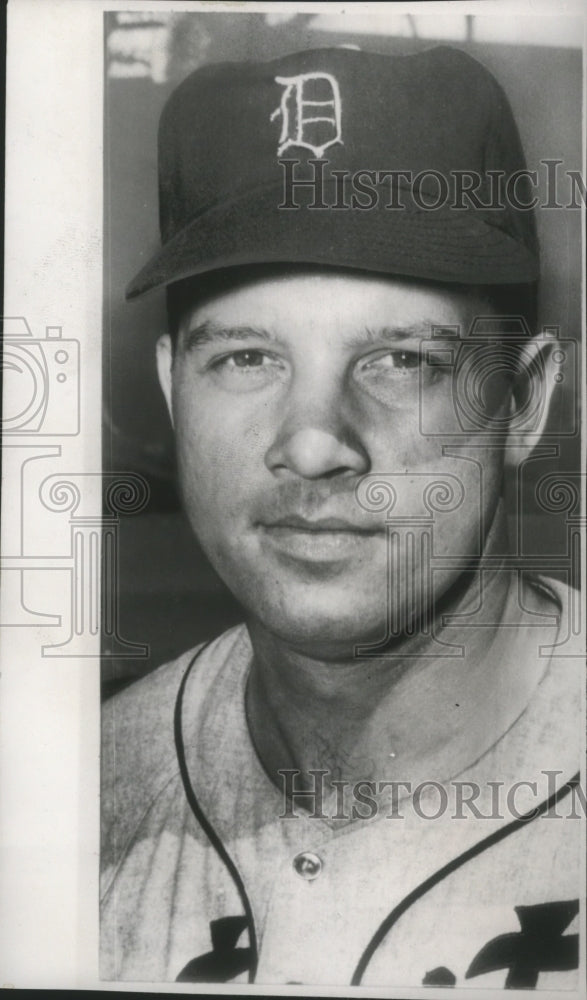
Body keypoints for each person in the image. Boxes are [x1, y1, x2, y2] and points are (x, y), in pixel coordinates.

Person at [100, 45, 583, 989]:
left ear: (523, 402)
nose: (315, 443)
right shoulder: (70, 802)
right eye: (245, 358)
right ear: (171, 388)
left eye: (401, 360)